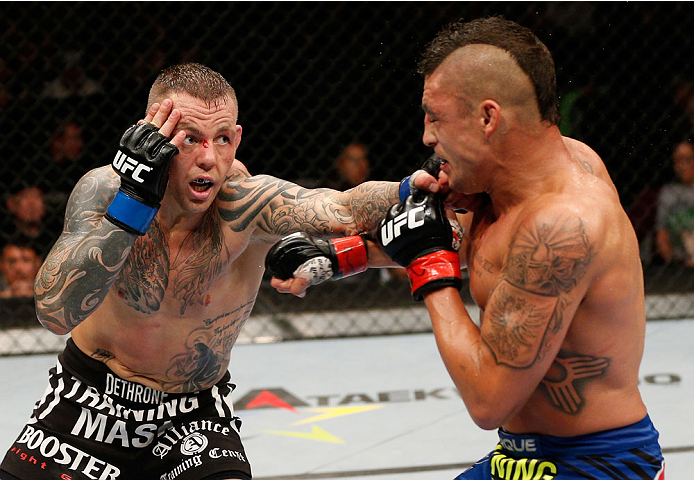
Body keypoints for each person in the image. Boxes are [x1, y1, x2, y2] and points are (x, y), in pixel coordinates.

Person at [268, 17, 665, 479]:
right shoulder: (530, 171)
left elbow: (488, 399)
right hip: (521, 458)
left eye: (435, 116)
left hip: (597, 464)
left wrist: (428, 267)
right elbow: (446, 231)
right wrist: (339, 257)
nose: (426, 136)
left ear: (488, 118)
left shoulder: (563, 225)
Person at [0, 63, 401, 480]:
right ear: (152, 134)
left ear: (237, 139)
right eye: (190, 138)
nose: (209, 158)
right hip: (86, 405)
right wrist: (131, 205)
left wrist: (417, 190)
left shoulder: (246, 203)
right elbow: (53, 314)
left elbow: (344, 207)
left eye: (222, 139)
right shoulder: (105, 190)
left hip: (192, 419)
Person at [654, 139, 694, 265]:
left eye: (687, 159)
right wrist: (671, 263)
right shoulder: (668, 193)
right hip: (679, 264)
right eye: (678, 160)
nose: (682, 165)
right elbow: (662, 233)